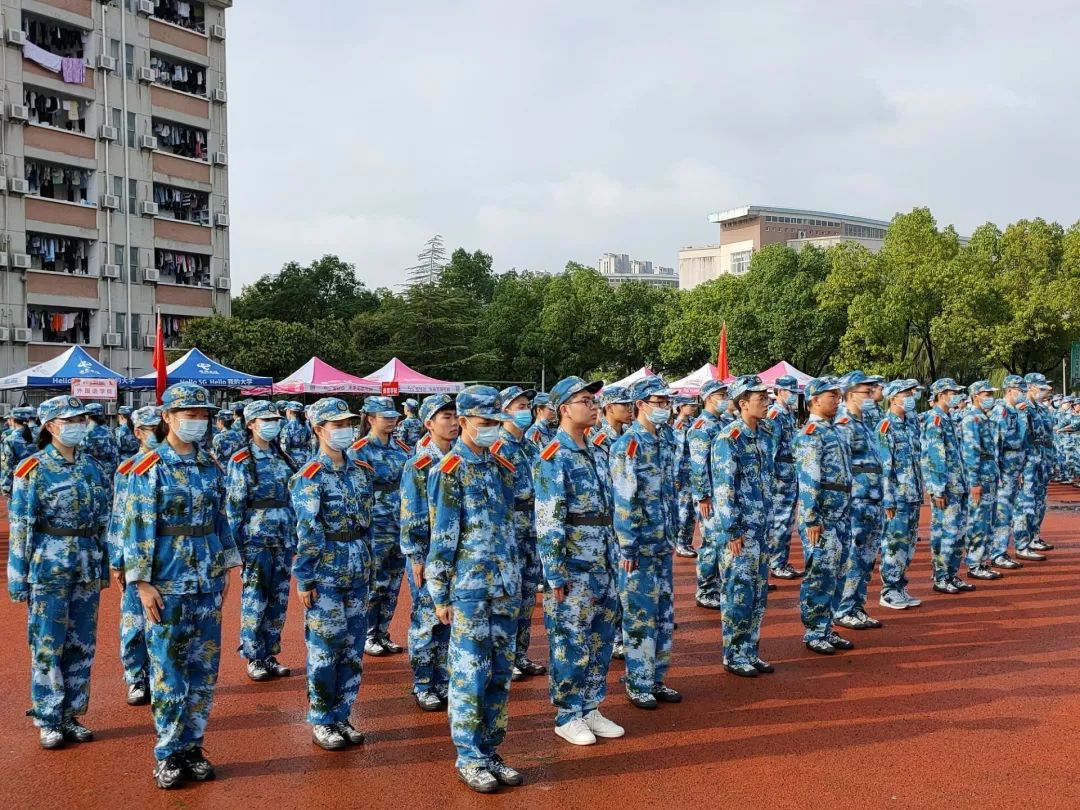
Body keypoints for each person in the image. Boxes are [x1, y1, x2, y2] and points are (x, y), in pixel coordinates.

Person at [122, 383, 241, 789]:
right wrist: (141, 583)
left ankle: (193, 746)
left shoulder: (210, 465)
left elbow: (220, 519)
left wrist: (226, 565)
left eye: (203, 415)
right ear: (168, 418)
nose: (198, 422)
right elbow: (137, 526)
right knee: (169, 670)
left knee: (204, 668)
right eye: (190, 415)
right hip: (167, 580)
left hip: (207, 579)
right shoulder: (149, 466)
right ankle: (168, 752)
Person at [426, 385, 523, 794]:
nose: (492, 429)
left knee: (500, 674)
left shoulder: (500, 465)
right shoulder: (448, 471)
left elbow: (511, 525)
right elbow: (442, 536)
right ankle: (469, 757)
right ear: (463, 421)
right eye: (485, 422)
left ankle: (490, 749)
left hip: (505, 586)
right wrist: (440, 594)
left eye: (496, 422)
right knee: (470, 675)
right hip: (468, 589)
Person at [7, 395, 110, 749]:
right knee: (48, 644)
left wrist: (104, 565)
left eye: (81, 420)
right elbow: (21, 526)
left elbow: (103, 520)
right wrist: (17, 576)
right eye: (70, 421)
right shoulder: (32, 469)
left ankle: (71, 714)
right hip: (48, 568)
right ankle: (48, 717)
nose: (78, 426)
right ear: (50, 426)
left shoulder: (92, 467)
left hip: (86, 565)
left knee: (82, 643)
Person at [533, 376, 624, 746]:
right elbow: (549, 519)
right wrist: (555, 572)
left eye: (593, 400)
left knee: (601, 640)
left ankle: (590, 706)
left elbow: (610, 510)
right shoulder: (553, 456)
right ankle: (568, 714)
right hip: (574, 566)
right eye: (585, 400)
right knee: (570, 641)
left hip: (603, 562)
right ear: (564, 409)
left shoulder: (598, 451)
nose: (593, 405)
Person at [290, 397, 374, 751]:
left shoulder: (361, 471)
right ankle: (322, 719)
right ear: (319, 429)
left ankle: (342, 714)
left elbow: (368, 523)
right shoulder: (310, 476)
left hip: (358, 569)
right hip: (325, 573)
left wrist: (369, 565)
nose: (345, 430)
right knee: (325, 649)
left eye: (348, 423)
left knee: (352, 649)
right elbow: (307, 530)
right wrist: (305, 578)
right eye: (337, 425)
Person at [610, 376, 681, 709]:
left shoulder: (664, 439)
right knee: (640, 615)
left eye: (668, 402)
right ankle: (638, 682)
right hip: (638, 547)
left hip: (662, 541)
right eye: (659, 402)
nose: (665, 407)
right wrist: (628, 546)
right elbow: (624, 500)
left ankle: (656, 678)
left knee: (664, 616)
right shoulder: (628, 445)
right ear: (640, 405)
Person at [225, 401, 297, 682]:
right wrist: (236, 550)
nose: (272, 424)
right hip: (256, 541)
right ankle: (254, 655)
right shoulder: (242, 459)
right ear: (251, 424)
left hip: (283, 539)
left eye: (275, 419)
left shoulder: (283, 456)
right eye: (265, 420)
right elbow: (234, 506)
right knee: (256, 600)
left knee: (279, 600)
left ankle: (269, 653)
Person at [712, 375, 775, 676]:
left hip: (760, 530)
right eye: (760, 398)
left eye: (766, 397)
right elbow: (724, 489)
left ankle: (750, 650)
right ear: (742, 404)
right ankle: (734, 654)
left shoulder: (765, 434)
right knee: (738, 593)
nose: (766, 402)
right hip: (740, 532)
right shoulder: (729, 439)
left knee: (758, 595)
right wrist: (732, 530)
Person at [399, 394, 457, 711]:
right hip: (429, 553)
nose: (453, 422)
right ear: (429, 424)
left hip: (455, 555)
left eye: (455, 415)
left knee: (449, 619)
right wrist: (416, 556)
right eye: (445, 416)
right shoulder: (420, 464)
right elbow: (412, 514)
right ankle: (423, 683)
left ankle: (444, 679)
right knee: (426, 620)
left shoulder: (460, 459)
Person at [794, 377, 854, 655]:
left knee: (838, 572)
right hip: (822, 516)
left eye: (838, 396)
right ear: (815, 400)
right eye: (832, 396)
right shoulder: (810, 434)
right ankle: (814, 631)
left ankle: (827, 627)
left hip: (841, 512)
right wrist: (811, 518)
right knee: (820, 573)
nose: (837, 400)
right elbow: (809, 480)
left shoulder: (835, 431)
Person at [107, 406, 162, 706]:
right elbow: (119, 518)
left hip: (165, 556)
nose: (160, 433)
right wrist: (117, 560)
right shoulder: (127, 469)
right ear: (138, 433)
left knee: (162, 620)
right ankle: (136, 677)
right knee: (134, 622)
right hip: (133, 557)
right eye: (153, 429)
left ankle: (160, 676)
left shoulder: (173, 464)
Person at [348, 396, 410, 657]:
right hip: (375, 526)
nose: (391, 421)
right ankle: (368, 634)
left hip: (399, 523)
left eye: (394, 417)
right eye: (386, 417)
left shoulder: (402, 449)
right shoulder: (358, 451)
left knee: (394, 584)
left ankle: (383, 632)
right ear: (371, 419)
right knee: (375, 583)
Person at [495, 386, 547, 682]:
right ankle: (504, 658)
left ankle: (520, 653)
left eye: (527, 405)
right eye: (519, 406)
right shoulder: (497, 449)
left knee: (527, 597)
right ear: (504, 411)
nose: (526, 410)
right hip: (509, 533)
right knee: (508, 599)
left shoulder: (530, 446)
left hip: (532, 530)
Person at [832, 371, 885, 631]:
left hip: (872, 499)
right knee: (853, 556)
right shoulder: (844, 424)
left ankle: (857, 606)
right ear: (851, 394)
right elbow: (840, 467)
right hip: (856, 501)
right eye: (866, 391)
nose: (872, 395)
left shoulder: (862, 422)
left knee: (867, 558)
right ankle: (844, 608)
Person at [589, 383, 634, 659]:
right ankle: (616, 636)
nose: (629, 409)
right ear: (607, 408)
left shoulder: (629, 437)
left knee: (626, 580)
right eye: (623, 405)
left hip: (625, 518)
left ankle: (625, 631)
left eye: (630, 404)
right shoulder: (598, 441)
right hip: (608, 520)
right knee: (612, 582)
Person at [921, 378, 972, 594]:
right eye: (953, 393)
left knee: (958, 533)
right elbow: (935, 458)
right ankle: (941, 577)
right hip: (946, 487)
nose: (957, 396)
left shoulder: (948, 418)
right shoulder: (935, 420)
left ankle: (952, 574)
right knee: (946, 533)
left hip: (957, 485)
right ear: (941, 395)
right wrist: (938, 489)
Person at [877, 380, 925, 610]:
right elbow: (885, 467)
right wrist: (887, 498)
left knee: (908, 544)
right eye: (905, 394)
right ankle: (889, 591)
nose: (910, 398)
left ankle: (899, 586)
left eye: (910, 394)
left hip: (912, 493)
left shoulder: (910, 424)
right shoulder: (886, 426)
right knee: (894, 543)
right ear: (893, 398)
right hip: (897, 497)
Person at [689, 379, 728, 610]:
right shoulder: (701, 427)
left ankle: (718, 585)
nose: (725, 399)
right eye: (721, 395)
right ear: (708, 398)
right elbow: (698, 465)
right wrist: (703, 495)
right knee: (711, 542)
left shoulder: (722, 423)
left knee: (721, 541)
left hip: (723, 493)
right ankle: (705, 590)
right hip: (710, 495)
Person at [961, 381, 1004, 582]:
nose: (990, 398)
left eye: (990, 394)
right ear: (975, 396)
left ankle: (983, 561)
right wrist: (974, 483)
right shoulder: (971, 419)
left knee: (988, 520)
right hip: (980, 476)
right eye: (986, 394)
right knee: (978, 521)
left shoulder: (985, 417)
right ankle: (974, 563)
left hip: (990, 474)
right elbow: (971, 453)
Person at [989, 375, 1031, 570]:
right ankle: (997, 553)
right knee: (1002, 513)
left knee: (1009, 512)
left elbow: (1021, 442)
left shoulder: (1014, 411)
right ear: (1009, 390)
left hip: (1013, 470)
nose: (1023, 393)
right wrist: (997, 473)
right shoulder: (1001, 411)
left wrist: (1019, 470)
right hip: (1004, 472)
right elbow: (996, 445)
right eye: (1020, 390)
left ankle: (1001, 551)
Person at [765, 376, 803, 581]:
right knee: (780, 521)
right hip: (780, 477)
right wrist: (772, 478)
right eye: (790, 392)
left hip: (790, 475)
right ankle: (775, 563)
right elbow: (771, 450)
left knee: (788, 521)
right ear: (779, 392)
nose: (794, 396)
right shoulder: (774, 415)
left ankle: (782, 561)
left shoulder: (788, 414)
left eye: (795, 393)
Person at [1019, 373, 1055, 556]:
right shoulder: (1023, 408)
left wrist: (1052, 459)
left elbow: (1049, 437)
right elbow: (1020, 439)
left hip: (1043, 459)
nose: (1045, 391)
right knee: (1027, 502)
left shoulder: (1041, 408)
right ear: (1030, 387)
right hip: (1029, 461)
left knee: (1040, 502)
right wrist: (1019, 467)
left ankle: (1034, 536)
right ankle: (1023, 544)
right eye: (1041, 388)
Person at [671, 395, 699, 558]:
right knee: (683, 510)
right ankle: (680, 543)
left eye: (694, 405)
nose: (693, 408)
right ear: (681, 407)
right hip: (683, 474)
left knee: (692, 512)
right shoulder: (680, 426)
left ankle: (687, 542)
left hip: (692, 473)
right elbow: (678, 454)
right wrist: (676, 477)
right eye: (690, 405)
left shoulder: (692, 423)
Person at [1, 406, 37, 497]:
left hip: (18, 480)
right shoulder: (36, 437)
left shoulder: (10, 439)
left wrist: (5, 486)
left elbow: (7, 466)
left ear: (13, 420)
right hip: (35, 478)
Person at [82, 402, 119, 480]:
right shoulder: (110, 431)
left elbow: (81, 455)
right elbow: (115, 455)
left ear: (87, 416)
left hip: (91, 471)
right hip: (107, 471)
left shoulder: (85, 433)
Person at [280, 401, 313, 468]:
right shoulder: (306, 424)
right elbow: (310, 440)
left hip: (294, 459)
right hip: (307, 456)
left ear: (289, 411)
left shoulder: (288, 427)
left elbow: (284, 448)